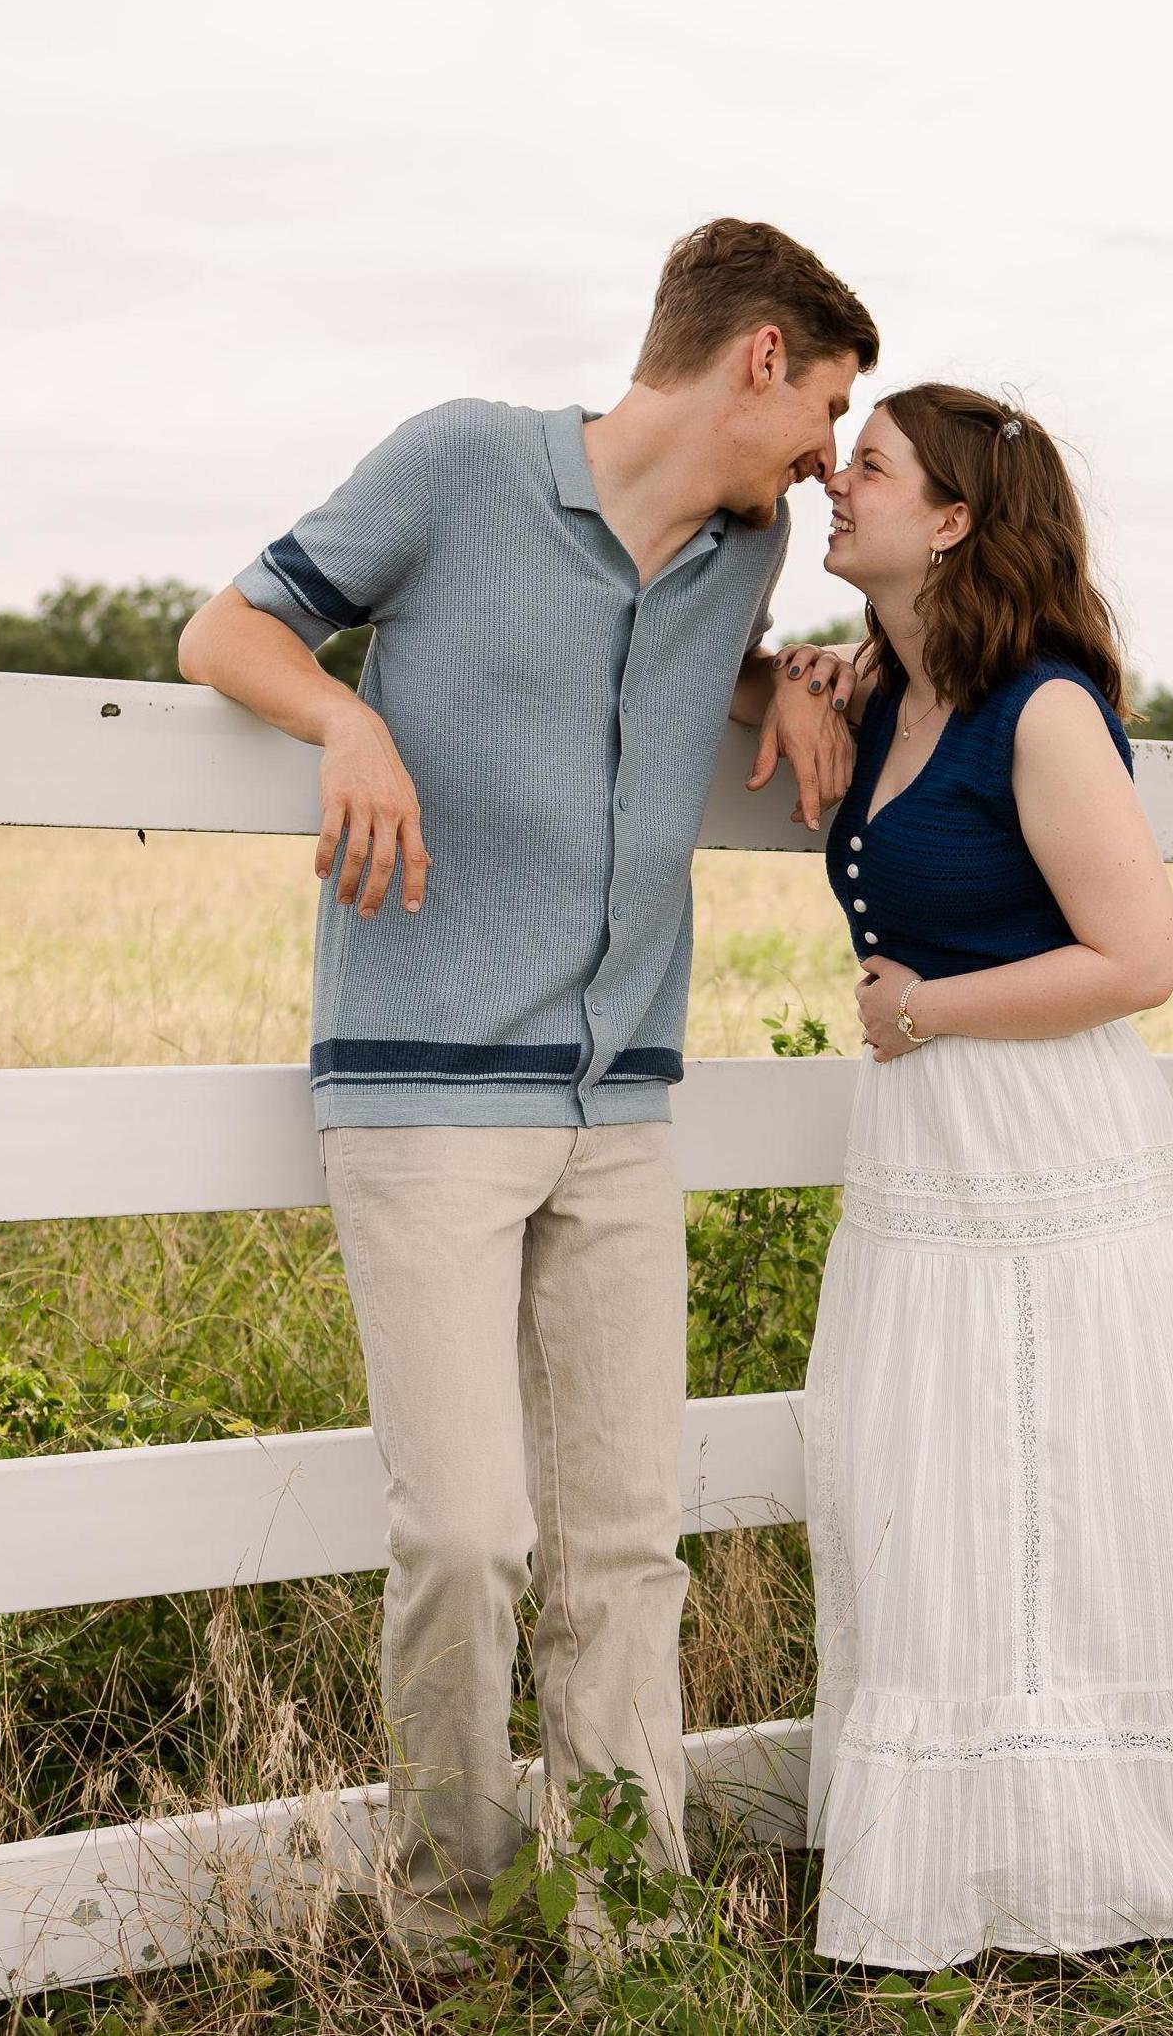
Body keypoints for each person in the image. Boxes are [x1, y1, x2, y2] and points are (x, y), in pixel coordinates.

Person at [175, 219, 876, 1969]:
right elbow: (228, 630)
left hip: (623, 1104)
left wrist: (778, 681)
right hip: (422, 1096)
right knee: (471, 1536)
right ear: (760, 358)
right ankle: (451, 1921)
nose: (830, 454)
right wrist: (347, 724)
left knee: (628, 1544)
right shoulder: (463, 460)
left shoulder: (752, 539)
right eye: (830, 404)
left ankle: (633, 1931)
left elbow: (663, 669)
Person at [773, 383, 1173, 1970]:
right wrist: (800, 677)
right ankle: (987, 1861)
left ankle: (1127, 1854)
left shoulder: (1044, 709)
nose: (836, 481)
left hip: (1050, 1140)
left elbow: (1141, 957)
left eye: (866, 467)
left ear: (949, 519)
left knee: (1076, 1484)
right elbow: (777, 672)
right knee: (945, 1479)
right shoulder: (894, 695)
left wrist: (928, 1009)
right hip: (927, 1159)